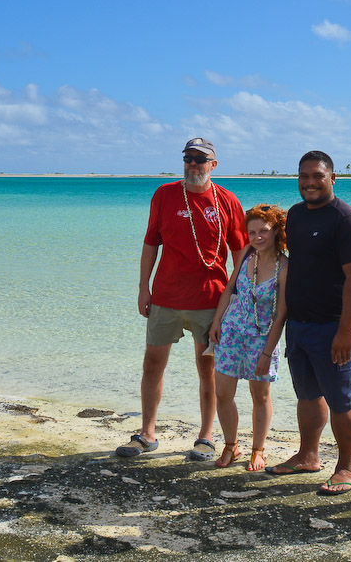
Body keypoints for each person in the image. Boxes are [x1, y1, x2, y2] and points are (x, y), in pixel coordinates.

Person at [116, 138, 247, 461]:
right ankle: (147, 433)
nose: (193, 164)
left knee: (207, 370)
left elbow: (241, 252)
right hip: (166, 297)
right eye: (188, 158)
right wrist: (143, 287)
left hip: (211, 300)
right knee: (152, 365)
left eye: (200, 159)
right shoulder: (164, 194)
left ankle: (206, 437)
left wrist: (238, 297)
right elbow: (151, 242)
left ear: (213, 164)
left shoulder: (228, 200)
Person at [265, 151, 351, 495]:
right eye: (304, 176)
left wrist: (345, 331)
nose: (310, 182)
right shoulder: (296, 215)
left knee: (340, 398)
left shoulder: (347, 221)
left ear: (332, 178)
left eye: (318, 176)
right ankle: (308, 456)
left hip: (334, 325)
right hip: (299, 324)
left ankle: (346, 467)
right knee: (307, 395)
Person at [208, 204, 288, 470]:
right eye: (252, 232)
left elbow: (281, 316)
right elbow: (229, 288)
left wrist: (267, 353)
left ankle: (258, 449)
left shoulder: (284, 267)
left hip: (262, 338)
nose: (257, 237)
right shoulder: (246, 254)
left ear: (275, 231)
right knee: (223, 393)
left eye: (263, 231)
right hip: (232, 333)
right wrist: (217, 322)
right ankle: (231, 446)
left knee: (260, 396)